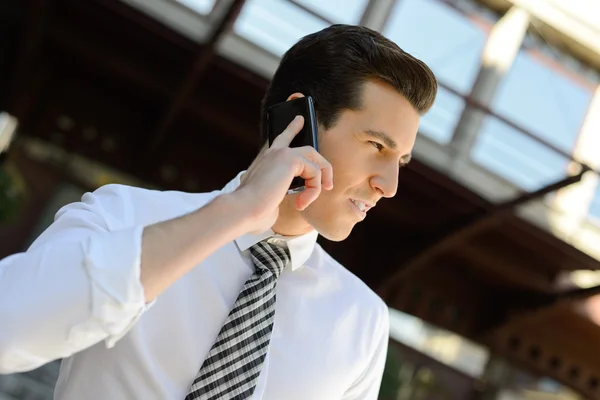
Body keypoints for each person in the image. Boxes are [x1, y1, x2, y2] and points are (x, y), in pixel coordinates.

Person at [0, 24, 437, 399]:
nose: (389, 186)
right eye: (377, 146)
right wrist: (236, 213)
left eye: (399, 162)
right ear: (295, 123)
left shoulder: (361, 320)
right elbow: (9, 327)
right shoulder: (125, 215)